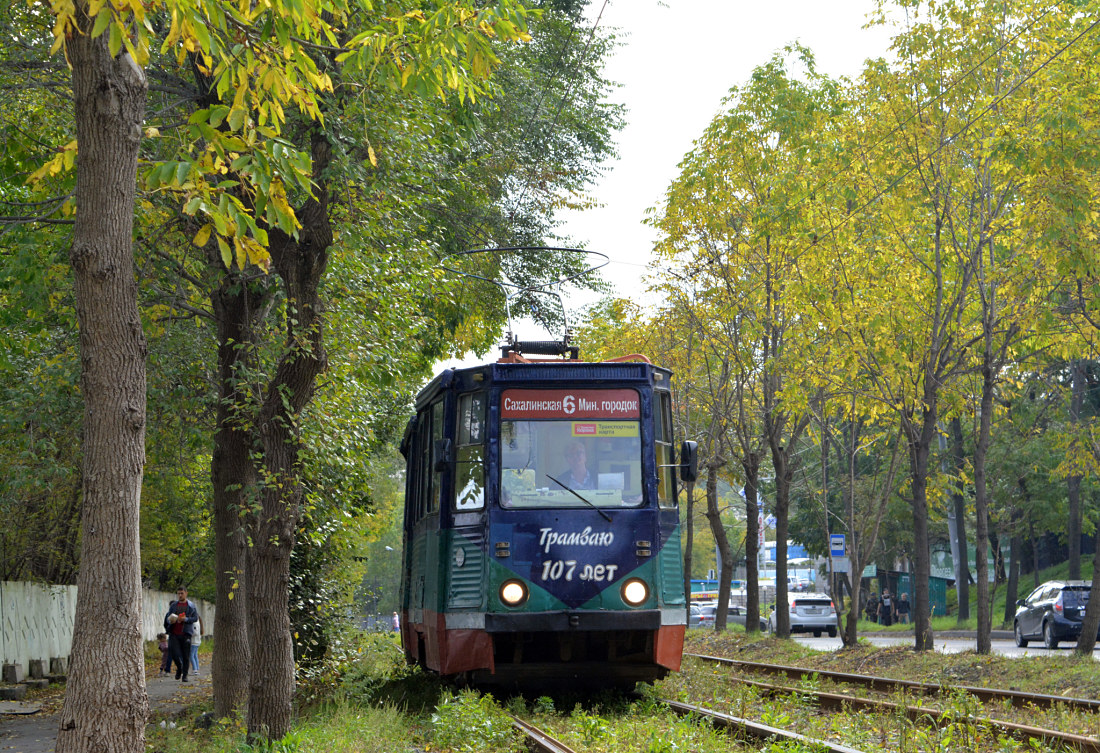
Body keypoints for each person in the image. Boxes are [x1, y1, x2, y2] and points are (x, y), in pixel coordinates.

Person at [164, 586, 198, 682]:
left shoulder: (191, 606)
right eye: (178, 593)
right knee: (174, 653)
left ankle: (185, 675)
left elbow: (195, 618)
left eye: (181, 593)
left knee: (185, 655)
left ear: (186, 593)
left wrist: (186, 619)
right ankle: (179, 668)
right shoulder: (174, 605)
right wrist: (171, 620)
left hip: (186, 633)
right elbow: (167, 617)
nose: (180, 595)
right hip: (174, 633)